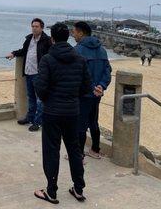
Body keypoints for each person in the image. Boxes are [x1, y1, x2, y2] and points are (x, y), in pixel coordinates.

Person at [33, 23, 92, 204]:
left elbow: (41, 89)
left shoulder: (48, 59)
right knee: (74, 150)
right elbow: (86, 87)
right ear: (68, 37)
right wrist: (72, 96)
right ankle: (79, 189)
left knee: (51, 151)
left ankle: (51, 191)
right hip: (73, 111)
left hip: (52, 112)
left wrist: (48, 97)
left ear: (52, 39)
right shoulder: (80, 59)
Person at [72, 21, 111, 160]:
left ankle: (79, 155)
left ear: (81, 33)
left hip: (84, 94)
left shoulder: (77, 50)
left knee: (80, 124)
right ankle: (95, 150)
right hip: (97, 94)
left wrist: (91, 87)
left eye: (74, 32)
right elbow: (107, 70)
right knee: (94, 121)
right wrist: (101, 86)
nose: (73, 34)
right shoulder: (102, 50)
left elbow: (78, 74)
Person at [6, 18, 52, 132]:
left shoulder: (46, 40)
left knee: (39, 99)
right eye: (32, 26)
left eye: (36, 26)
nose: (34, 28)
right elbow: (23, 51)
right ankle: (29, 117)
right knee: (30, 97)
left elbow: (50, 56)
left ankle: (37, 122)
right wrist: (14, 53)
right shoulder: (29, 39)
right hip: (28, 72)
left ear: (42, 27)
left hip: (39, 74)